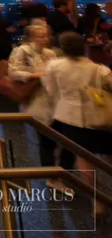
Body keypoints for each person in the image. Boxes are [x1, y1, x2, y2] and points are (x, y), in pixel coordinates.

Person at [43, 32, 112, 188]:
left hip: (70, 118)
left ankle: (96, 198)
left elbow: (51, 92)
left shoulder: (54, 66)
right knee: (108, 153)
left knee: (84, 158)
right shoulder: (98, 69)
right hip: (98, 117)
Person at [8, 24, 70, 179]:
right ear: (32, 38)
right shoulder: (21, 51)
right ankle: (50, 175)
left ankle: (64, 171)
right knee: (46, 141)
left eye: (47, 35)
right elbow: (13, 73)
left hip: (54, 101)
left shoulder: (49, 53)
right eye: (41, 36)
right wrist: (35, 75)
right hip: (37, 101)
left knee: (64, 140)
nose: (45, 39)